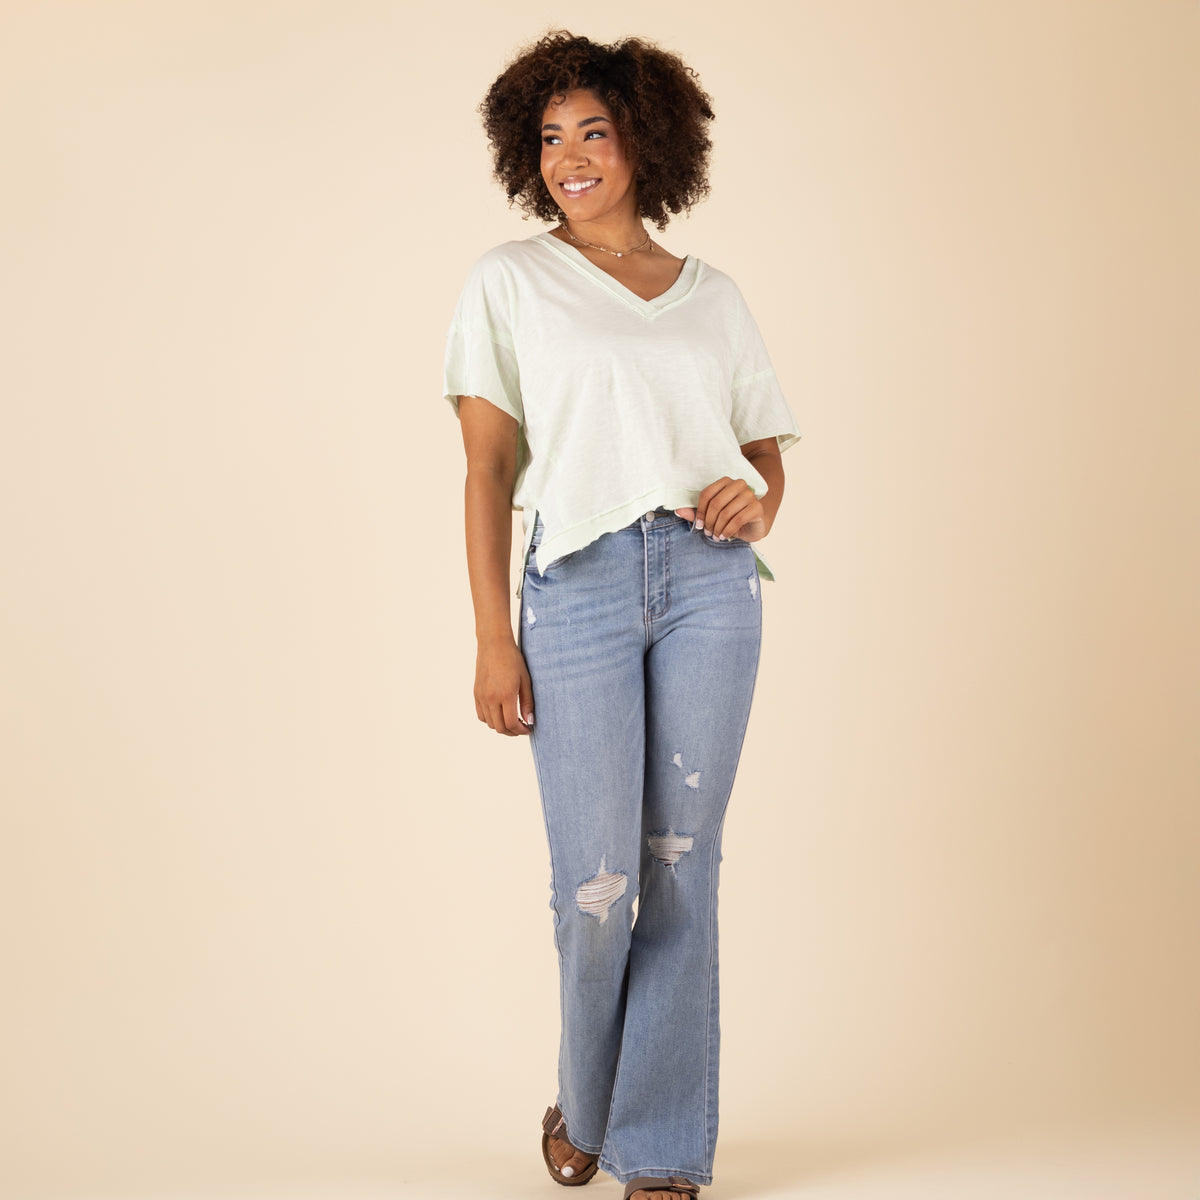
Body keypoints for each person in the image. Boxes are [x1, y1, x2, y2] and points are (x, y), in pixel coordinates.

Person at [443, 31, 800, 1200]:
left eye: (592, 131)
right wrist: (495, 635)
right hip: (580, 585)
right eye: (549, 137)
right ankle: (584, 1100)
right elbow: (489, 470)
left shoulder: (715, 297)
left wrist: (762, 500)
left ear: (647, 137)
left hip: (707, 585)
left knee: (680, 866)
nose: (569, 157)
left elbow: (759, 456)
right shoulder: (509, 279)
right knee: (593, 884)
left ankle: (658, 1150)